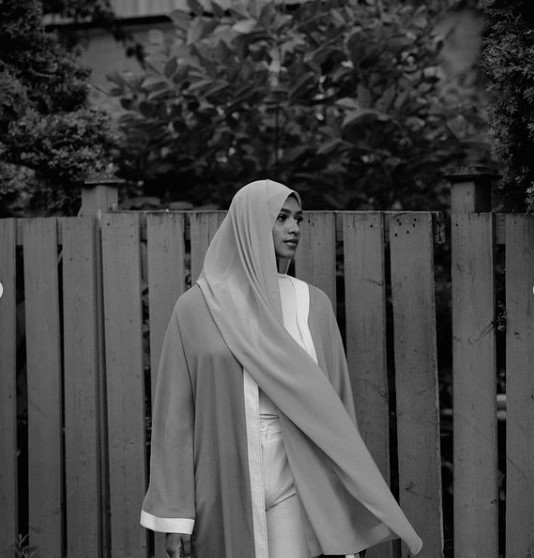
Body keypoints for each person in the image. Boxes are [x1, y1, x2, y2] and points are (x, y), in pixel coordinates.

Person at [140, 179, 423, 558]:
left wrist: (346, 501)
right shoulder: (196, 308)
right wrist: (175, 515)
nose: (294, 228)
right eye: (281, 218)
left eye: (298, 219)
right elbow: (175, 417)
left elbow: (335, 409)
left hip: (299, 470)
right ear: (249, 224)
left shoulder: (313, 304)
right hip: (225, 470)